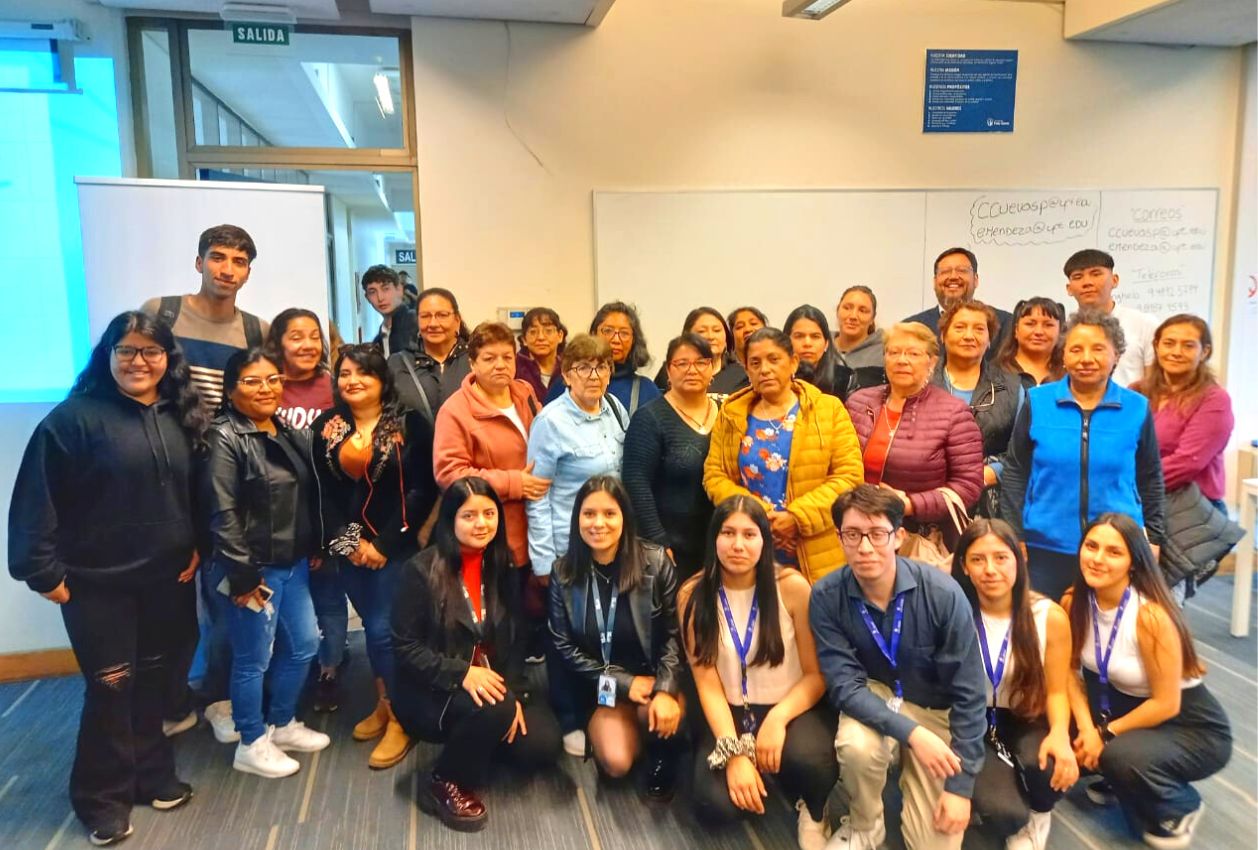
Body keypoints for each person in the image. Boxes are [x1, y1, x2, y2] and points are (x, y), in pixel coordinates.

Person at [8, 311, 206, 846]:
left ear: (168, 359)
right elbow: (37, 499)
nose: (139, 362)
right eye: (127, 351)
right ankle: (101, 797)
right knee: (112, 688)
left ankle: (151, 776)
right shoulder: (72, 420)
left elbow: (196, 495)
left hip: (169, 580)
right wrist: (42, 572)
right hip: (97, 585)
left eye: (151, 352)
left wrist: (198, 547)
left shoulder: (182, 415)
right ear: (108, 355)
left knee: (160, 682)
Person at [810, 485, 988, 850]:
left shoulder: (943, 593)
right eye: (853, 534)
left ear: (898, 537)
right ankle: (865, 823)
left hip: (937, 709)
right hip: (878, 692)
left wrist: (961, 788)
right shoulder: (827, 595)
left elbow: (970, 694)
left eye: (877, 534)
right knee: (856, 747)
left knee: (933, 844)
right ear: (840, 538)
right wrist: (912, 734)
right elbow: (845, 686)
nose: (864, 547)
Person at [391, 477, 561, 832]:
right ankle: (442, 780)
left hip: (493, 681)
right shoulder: (421, 570)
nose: (481, 523)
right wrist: (462, 674)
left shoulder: (502, 564)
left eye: (488, 513)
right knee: (495, 710)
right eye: (469, 516)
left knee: (543, 744)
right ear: (450, 520)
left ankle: (481, 735)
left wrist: (513, 693)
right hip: (433, 688)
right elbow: (406, 648)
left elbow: (515, 639)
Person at [1064, 515, 1231, 849]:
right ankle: (1121, 773)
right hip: (1122, 707)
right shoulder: (1073, 601)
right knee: (1057, 739)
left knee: (1119, 759)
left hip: (1189, 725)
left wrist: (1104, 736)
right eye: (1091, 546)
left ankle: (1180, 803)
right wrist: (1085, 730)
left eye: (1114, 552)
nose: (1097, 558)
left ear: (1133, 564)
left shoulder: (1150, 616)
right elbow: (1068, 673)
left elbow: (1166, 704)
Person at [680, 497, 836, 850]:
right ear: (713, 539)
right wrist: (733, 753)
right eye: (728, 533)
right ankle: (754, 763)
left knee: (812, 762)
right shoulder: (693, 594)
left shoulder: (793, 587)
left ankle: (813, 807)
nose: (738, 544)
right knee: (714, 807)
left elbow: (816, 675)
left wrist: (778, 719)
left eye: (750, 534)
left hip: (791, 707)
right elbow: (706, 681)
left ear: (765, 541)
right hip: (730, 711)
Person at [312, 344, 438, 769]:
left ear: (382, 379)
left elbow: (423, 488)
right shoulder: (326, 425)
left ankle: (403, 717)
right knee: (370, 626)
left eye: (363, 373)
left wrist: (383, 545)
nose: (353, 381)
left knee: (385, 631)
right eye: (344, 373)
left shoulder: (410, 423)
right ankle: (384, 704)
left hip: (395, 548)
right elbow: (322, 494)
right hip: (349, 550)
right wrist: (351, 544)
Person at [205, 349, 330, 778]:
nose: (266, 389)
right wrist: (242, 577)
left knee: (304, 646)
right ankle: (251, 741)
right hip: (252, 571)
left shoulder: (282, 430)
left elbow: (301, 496)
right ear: (230, 388)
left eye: (273, 380)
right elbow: (222, 514)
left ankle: (281, 723)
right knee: (253, 658)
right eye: (253, 381)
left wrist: (312, 542)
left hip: (292, 563)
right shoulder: (223, 437)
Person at [1001, 310, 1166, 601]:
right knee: (1046, 634)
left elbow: (1150, 477)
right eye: (1075, 349)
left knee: (1107, 637)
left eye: (1098, 349)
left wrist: (1153, 536)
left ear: (1117, 354)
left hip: (1115, 547)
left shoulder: (1136, 408)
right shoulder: (1038, 401)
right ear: (1063, 356)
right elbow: (1016, 471)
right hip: (1045, 547)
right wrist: (1016, 533)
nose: (1086, 358)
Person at [547, 475, 685, 799]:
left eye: (610, 513)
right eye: (589, 513)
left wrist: (664, 689)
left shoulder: (655, 561)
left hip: (655, 678)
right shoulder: (563, 572)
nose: (599, 523)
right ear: (577, 518)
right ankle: (643, 732)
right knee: (616, 762)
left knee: (659, 714)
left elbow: (674, 635)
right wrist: (624, 683)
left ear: (625, 517)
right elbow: (564, 647)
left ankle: (662, 743)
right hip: (605, 686)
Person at [952, 519, 1078, 850]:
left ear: (1019, 558)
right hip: (971, 722)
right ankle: (1006, 803)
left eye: (1001, 558)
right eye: (978, 559)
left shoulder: (1048, 615)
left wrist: (1061, 735)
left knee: (1049, 769)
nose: (990, 569)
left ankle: (1040, 814)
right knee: (1003, 812)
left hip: (1025, 716)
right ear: (964, 566)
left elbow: (1057, 690)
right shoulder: (953, 613)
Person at [703, 328, 863, 583]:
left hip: (817, 547)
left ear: (793, 363)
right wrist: (759, 515)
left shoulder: (828, 409)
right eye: (755, 363)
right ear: (747, 370)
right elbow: (714, 475)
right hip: (751, 544)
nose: (764, 369)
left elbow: (849, 476)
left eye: (774, 359)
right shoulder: (731, 414)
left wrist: (796, 517)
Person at [263, 308, 346, 714]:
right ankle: (285, 676)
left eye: (315, 336)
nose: (308, 344)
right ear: (278, 341)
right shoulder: (267, 387)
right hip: (281, 515)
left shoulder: (335, 387)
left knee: (329, 597)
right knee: (287, 604)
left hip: (327, 509)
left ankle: (329, 671)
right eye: (297, 336)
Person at [846, 322, 985, 550]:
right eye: (894, 352)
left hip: (917, 538)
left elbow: (968, 485)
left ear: (932, 361)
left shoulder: (953, 412)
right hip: (857, 530)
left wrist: (910, 504)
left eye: (913, 353)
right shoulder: (858, 403)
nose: (902, 360)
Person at [434, 322, 547, 572]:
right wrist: (514, 483)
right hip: (491, 537)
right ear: (472, 363)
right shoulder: (455, 411)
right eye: (489, 358)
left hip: (537, 531)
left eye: (507, 357)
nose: (500, 365)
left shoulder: (524, 392)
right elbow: (450, 475)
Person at [525, 334, 629, 580]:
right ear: (567, 375)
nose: (594, 376)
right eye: (583, 367)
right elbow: (536, 497)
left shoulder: (615, 408)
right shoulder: (550, 422)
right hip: (569, 548)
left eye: (601, 367)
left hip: (612, 542)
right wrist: (544, 563)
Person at [141, 224, 268, 410]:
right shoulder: (160, 312)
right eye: (217, 258)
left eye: (239, 262)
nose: (227, 271)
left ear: (248, 273)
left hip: (224, 437)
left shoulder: (257, 330)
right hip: (164, 434)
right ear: (199, 263)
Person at [624, 334, 718, 579]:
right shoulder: (650, 418)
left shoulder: (727, 414)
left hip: (720, 545)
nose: (692, 370)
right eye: (682, 363)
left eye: (700, 362)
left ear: (712, 367)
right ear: (668, 369)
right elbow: (636, 483)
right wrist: (658, 542)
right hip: (670, 549)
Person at [1131, 314, 1234, 513]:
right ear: (1156, 346)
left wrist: (1126, 483)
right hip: (1140, 503)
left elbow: (1187, 462)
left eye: (1188, 345)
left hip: (1191, 514)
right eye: (1168, 343)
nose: (1176, 352)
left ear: (1204, 352)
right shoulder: (1136, 391)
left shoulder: (1215, 400)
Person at [930, 301, 1024, 517]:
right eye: (960, 327)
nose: (969, 336)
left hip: (990, 504)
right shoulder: (922, 381)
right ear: (943, 335)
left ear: (989, 340)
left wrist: (987, 474)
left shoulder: (1011, 387)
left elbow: (1021, 451)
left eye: (979, 329)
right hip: (929, 497)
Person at [1063, 250, 1158, 388]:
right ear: (1069, 288)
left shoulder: (1145, 324)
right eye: (1078, 277)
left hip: (1131, 407)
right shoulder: (1065, 331)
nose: (1087, 282)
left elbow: (1156, 383)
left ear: (1114, 280)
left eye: (1096, 274)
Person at [546, 301, 661, 415]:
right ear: (593, 334)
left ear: (634, 340)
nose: (616, 339)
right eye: (608, 331)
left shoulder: (646, 390)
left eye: (624, 333)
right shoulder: (569, 381)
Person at [904, 247, 1012, 355]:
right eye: (945, 271)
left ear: (975, 280)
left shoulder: (1006, 324)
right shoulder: (910, 327)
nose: (953, 276)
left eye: (962, 270)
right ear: (934, 281)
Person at [388, 287, 471, 420]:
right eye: (425, 316)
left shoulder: (476, 359)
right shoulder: (397, 363)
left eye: (442, 315)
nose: (433, 324)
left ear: (457, 320)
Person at [653, 307, 748, 399]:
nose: (710, 336)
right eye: (702, 331)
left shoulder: (742, 374)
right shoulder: (672, 369)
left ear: (726, 338)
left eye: (716, 330)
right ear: (687, 337)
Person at [994, 297, 1066, 391]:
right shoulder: (993, 373)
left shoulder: (1071, 376)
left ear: (1060, 332)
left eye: (1048, 325)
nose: (1038, 332)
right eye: (1030, 324)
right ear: (1016, 330)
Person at [784, 304, 849, 399]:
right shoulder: (775, 376)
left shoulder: (845, 379)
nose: (807, 343)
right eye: (799, 336)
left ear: (826, 343)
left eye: (815, 336)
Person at [832, 285, 887, 394]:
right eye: (847, 308)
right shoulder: (820, 345)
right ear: (838, 310)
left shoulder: (885, 352)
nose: (853, 316)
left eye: (863, 311)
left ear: (872, 318)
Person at [363, 265, 417, 358]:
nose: (380, 298)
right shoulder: (379, 339)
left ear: (399, 290)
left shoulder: (417, 323)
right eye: (372, 292)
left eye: (386, 289)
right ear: (367, 298)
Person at [515, 307, 567, 402]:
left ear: (560, 336)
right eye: (533, 332)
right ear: (524, 339)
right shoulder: (514, 367)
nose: (541, 337)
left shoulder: (569, 368)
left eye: (548, 331)